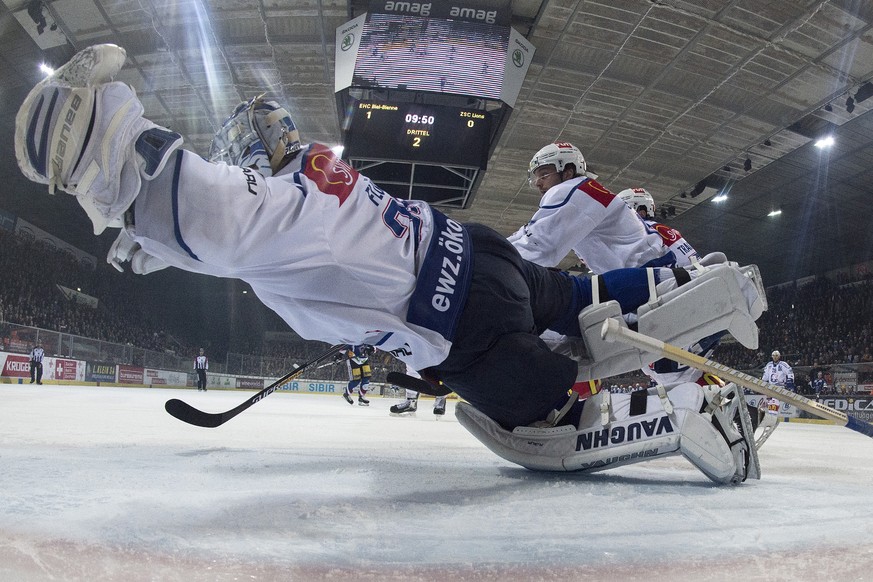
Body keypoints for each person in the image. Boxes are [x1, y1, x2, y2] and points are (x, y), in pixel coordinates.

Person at [15, 44, 767, 484]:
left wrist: (96, 151)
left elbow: (197, 206)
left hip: (460, 323)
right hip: (481, 253)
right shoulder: (317, 173)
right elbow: (231, 238)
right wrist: (162, 247)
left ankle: (678, 420)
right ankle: (684, 285)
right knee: (574, 296)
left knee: (554, 407)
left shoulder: (271, 212)